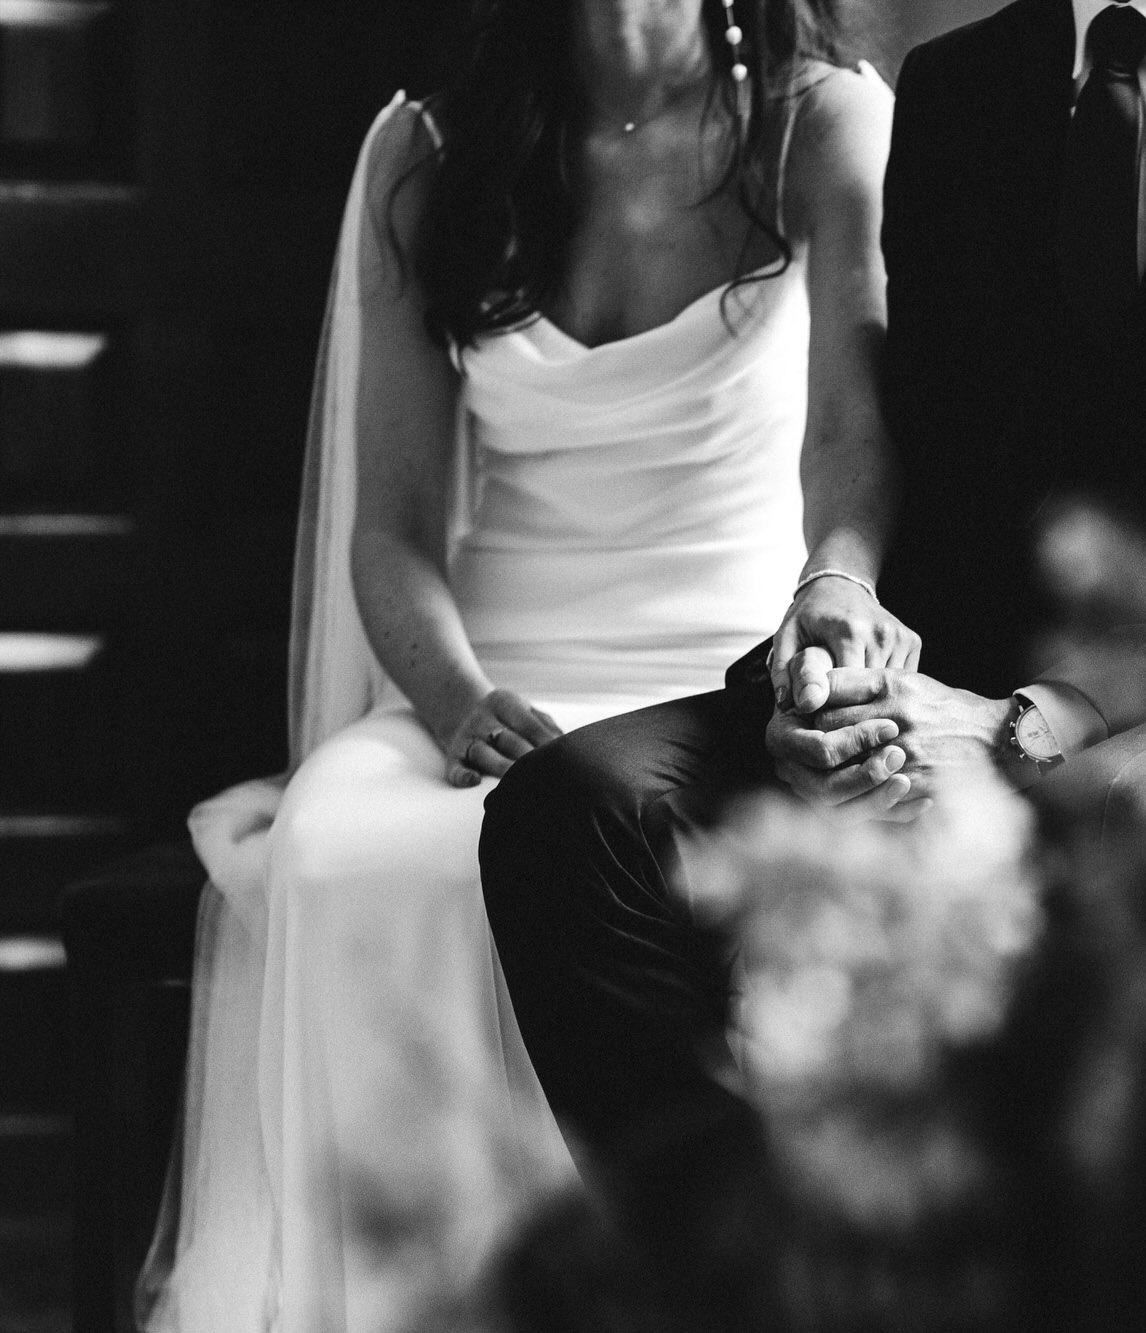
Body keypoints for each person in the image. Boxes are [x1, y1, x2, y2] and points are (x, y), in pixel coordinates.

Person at [481, 0, 1146, 1257]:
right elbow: (910, 433)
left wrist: (1029, 730)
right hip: (944, 684)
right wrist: (843, 621)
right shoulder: (959, 86)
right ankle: (756, 1273)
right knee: (575, 818)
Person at [137, 1, 909, 1328]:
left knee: (571, 852)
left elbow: (850, 440)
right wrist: (453, 699)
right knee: (348, 851)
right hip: (486, 669)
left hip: (711, 668)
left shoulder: (817, 125)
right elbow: (388, 527)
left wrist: (831, 587)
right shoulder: (428, 154)